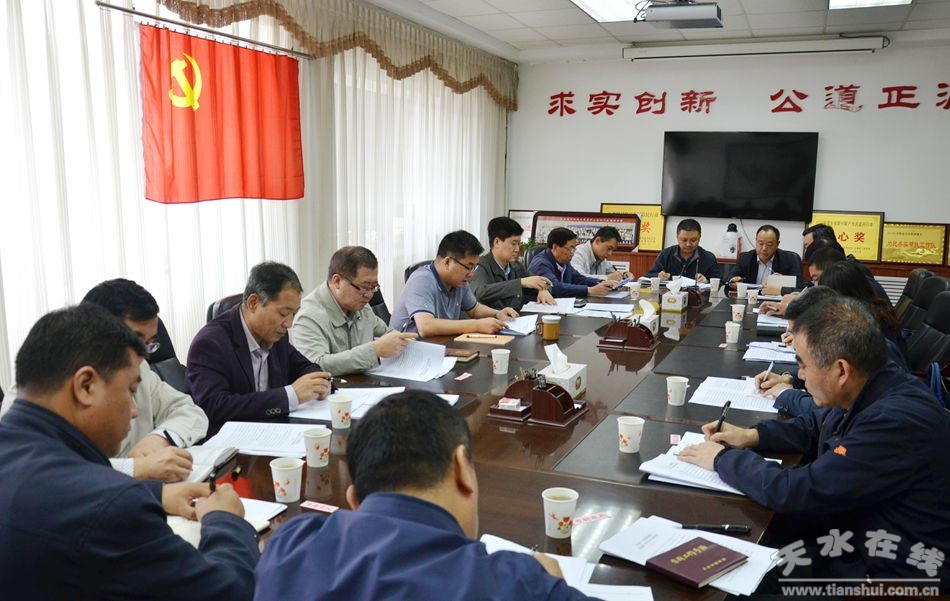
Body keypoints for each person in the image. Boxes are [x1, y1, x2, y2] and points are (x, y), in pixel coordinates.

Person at [679, 298, 950, 584]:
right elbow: (816, 425)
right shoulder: (873, 384)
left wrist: (721, 459)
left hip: (891, 571)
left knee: (730, 579)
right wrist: (752, 436)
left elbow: (799, 491)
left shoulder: (893, 422)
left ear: (841, 370)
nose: (799, 375)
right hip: (853, 533)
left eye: (803, 365)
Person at [0, 305, 259, 600]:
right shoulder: (113, 507)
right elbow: (227, 593)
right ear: (86, 386)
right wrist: (227, 522)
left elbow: (51, 496)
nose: (135, 411)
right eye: (130, 391)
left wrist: (158, 494)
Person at [254, 391, 594, 601]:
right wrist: (551, 588)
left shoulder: (289, 547)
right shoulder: (515, 584)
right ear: (461, 468)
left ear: (355, 500)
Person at [0, 278, 208, 483]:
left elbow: (189, 411)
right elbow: (37, 472)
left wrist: (160, 438)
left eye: (150, 343)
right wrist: (134, 469)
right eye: (136, 341)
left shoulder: (140, 369)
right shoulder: (33, 394)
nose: (142, 355)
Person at [186, 261, 331, 430]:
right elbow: (214, 407)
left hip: (273, 430)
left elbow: (303, 366)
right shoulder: (210, 344)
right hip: (229, 439)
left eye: (294, 313)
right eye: (283, 313)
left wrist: (319, 382)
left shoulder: (275, 333)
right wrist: (289, 396)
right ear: (253, 303)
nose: (289, 323)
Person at [290, 246, 417, 376]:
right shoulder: (308, 316)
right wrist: (374, 350)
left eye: (373, 287)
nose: (369, 295)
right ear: (337, 281)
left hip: (364, 383)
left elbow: (387, 334)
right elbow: (315, 365)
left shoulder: (360, 306)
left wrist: (408, 343)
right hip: (333, 388)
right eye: (364, 287)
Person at [390, 230, 519, 336]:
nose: (472, 274)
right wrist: (476, 325)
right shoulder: (421, 280)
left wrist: (497, 313)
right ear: (447, 262)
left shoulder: (458, 282)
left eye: (474, 267)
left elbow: (474, 309)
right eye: (468, 267)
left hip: (440, 346)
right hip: (408, 352)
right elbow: (426, 326)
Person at [470, 217, 555, 310]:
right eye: (513, 244)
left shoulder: (516, 266)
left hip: (517, 317)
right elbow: (478, 293)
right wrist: (520, 283)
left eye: (518, 244)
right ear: (497, 242)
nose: (517, 249)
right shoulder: (481, 265)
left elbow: (544, 282)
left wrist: (543, 289)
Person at [528, 227, 615, 298]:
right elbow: (554, 287)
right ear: (555, 247)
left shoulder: (564, 262)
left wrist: (600, 282)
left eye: (574, 249)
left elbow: (579, 279)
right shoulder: (541, 263)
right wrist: (589, 290)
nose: (573, 253)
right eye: (570, 248)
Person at [644, 219, 721, 283]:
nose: (688, 244)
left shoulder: (709, 257)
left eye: (693, 240)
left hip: (698, 296)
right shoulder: (666, 254)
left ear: (699, 238)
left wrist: (707, 281)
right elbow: (648, 276)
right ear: (677, 237)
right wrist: (658, 276)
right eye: (684, 240)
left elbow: (720, 281)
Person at [727, 225, 802, 288]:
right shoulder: (745, 258)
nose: (764, 248)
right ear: (756, 241)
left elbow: (799, 286)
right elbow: (729, 278)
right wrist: (732, 280)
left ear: (777, 244)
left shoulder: (789, 260)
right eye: (760, 243)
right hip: (750, 298)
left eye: (769, 244)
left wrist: (783, 281)